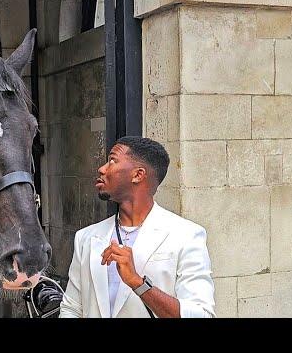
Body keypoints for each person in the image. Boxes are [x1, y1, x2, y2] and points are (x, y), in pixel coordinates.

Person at [59, 136, 215, 318]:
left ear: (138, 175)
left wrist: (137, 283)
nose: (102, 169)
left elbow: (201, 314)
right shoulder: (85, 238)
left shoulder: (186, 235)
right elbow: (71, 309)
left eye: (112, 161)